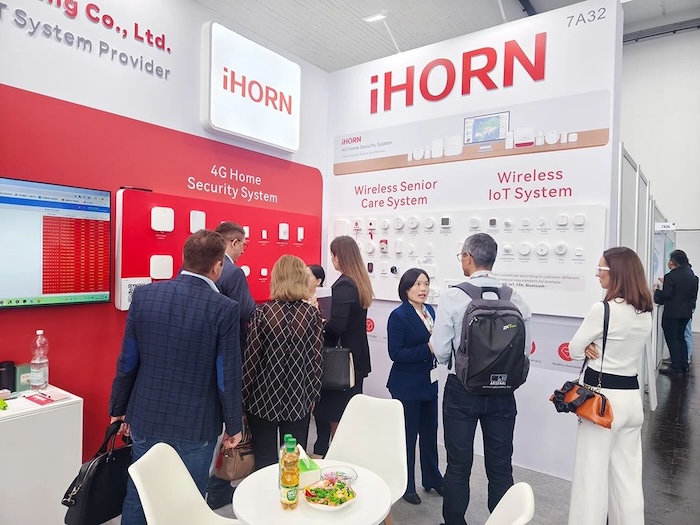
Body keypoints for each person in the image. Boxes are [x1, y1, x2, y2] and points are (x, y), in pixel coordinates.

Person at [109, 230, 243, 525]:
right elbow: (227, 374)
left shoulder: (144, 295)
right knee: (188, 501)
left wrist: (118, 407)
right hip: (196, 424)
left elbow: (128, 360)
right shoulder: (224, 308)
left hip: (146, 416)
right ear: (217, 265)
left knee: (140, 494)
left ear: (183, 257)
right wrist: (234, 424)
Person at [431, 233, 531, 525]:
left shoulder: (454, 296)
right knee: (501, 466)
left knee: (458, 465)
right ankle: (503, 521)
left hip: (462, 390)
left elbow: (441, 351)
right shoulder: (514, 297)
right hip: (503, 393)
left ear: (468, 257)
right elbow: (524, 351)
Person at [567, 247, 653, 524]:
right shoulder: (645, 312)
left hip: (601, 405)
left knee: (590, 478)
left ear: (616, 273)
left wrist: (588, 346)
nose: (597, 275)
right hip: (631, 402)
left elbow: (574, 349)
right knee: (627, 478)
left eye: (601, 269)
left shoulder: (602, 310)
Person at [243, 255, 324, 469]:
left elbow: (251, 360)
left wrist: (242, 398)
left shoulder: (263, 313)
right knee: (294, 462)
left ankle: (266, 491)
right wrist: (313, 395)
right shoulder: (312, 315)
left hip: (262, 398)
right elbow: (316, 361)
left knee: (264, 462)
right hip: (298, 399)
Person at [207, 221, 257, 509]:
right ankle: (218, 485)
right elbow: (247, 311)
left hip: (204, 352)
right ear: (234, 242)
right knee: (229, 424)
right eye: (243, 245)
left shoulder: (196, 265)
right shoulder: (233, 271)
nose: (243, 251)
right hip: (230, 351)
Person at [313, 235, 373, 456]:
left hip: (341, 364)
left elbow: (336, 326)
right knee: (345, 415)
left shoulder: (345, 284)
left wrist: (317, 318)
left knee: (336, 417)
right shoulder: (358, 281)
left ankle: (339, 460)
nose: (332, 259)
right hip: (353, 360)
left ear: (339, 256)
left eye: (333, 255)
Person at [387, 268, 443, 505]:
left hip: (429, 382)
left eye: (426, 284)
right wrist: (426, 349)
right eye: (418, 284)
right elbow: (396, 353)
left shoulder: (430, 311)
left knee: (430, 434)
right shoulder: (398, 315)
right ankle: (407, 484)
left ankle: (432, 478)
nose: (423, 289)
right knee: (408, 437)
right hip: (406, 385)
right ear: (406, 288)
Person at [654, 250, 698, 375]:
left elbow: (667, 295)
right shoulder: (693, 277)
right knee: (681, 338)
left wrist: (657, 291)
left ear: (672, 262)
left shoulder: (670, 276)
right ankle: (683, 365)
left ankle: (676, 367)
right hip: (686, 313)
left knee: (673, 339)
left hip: (672, 314)